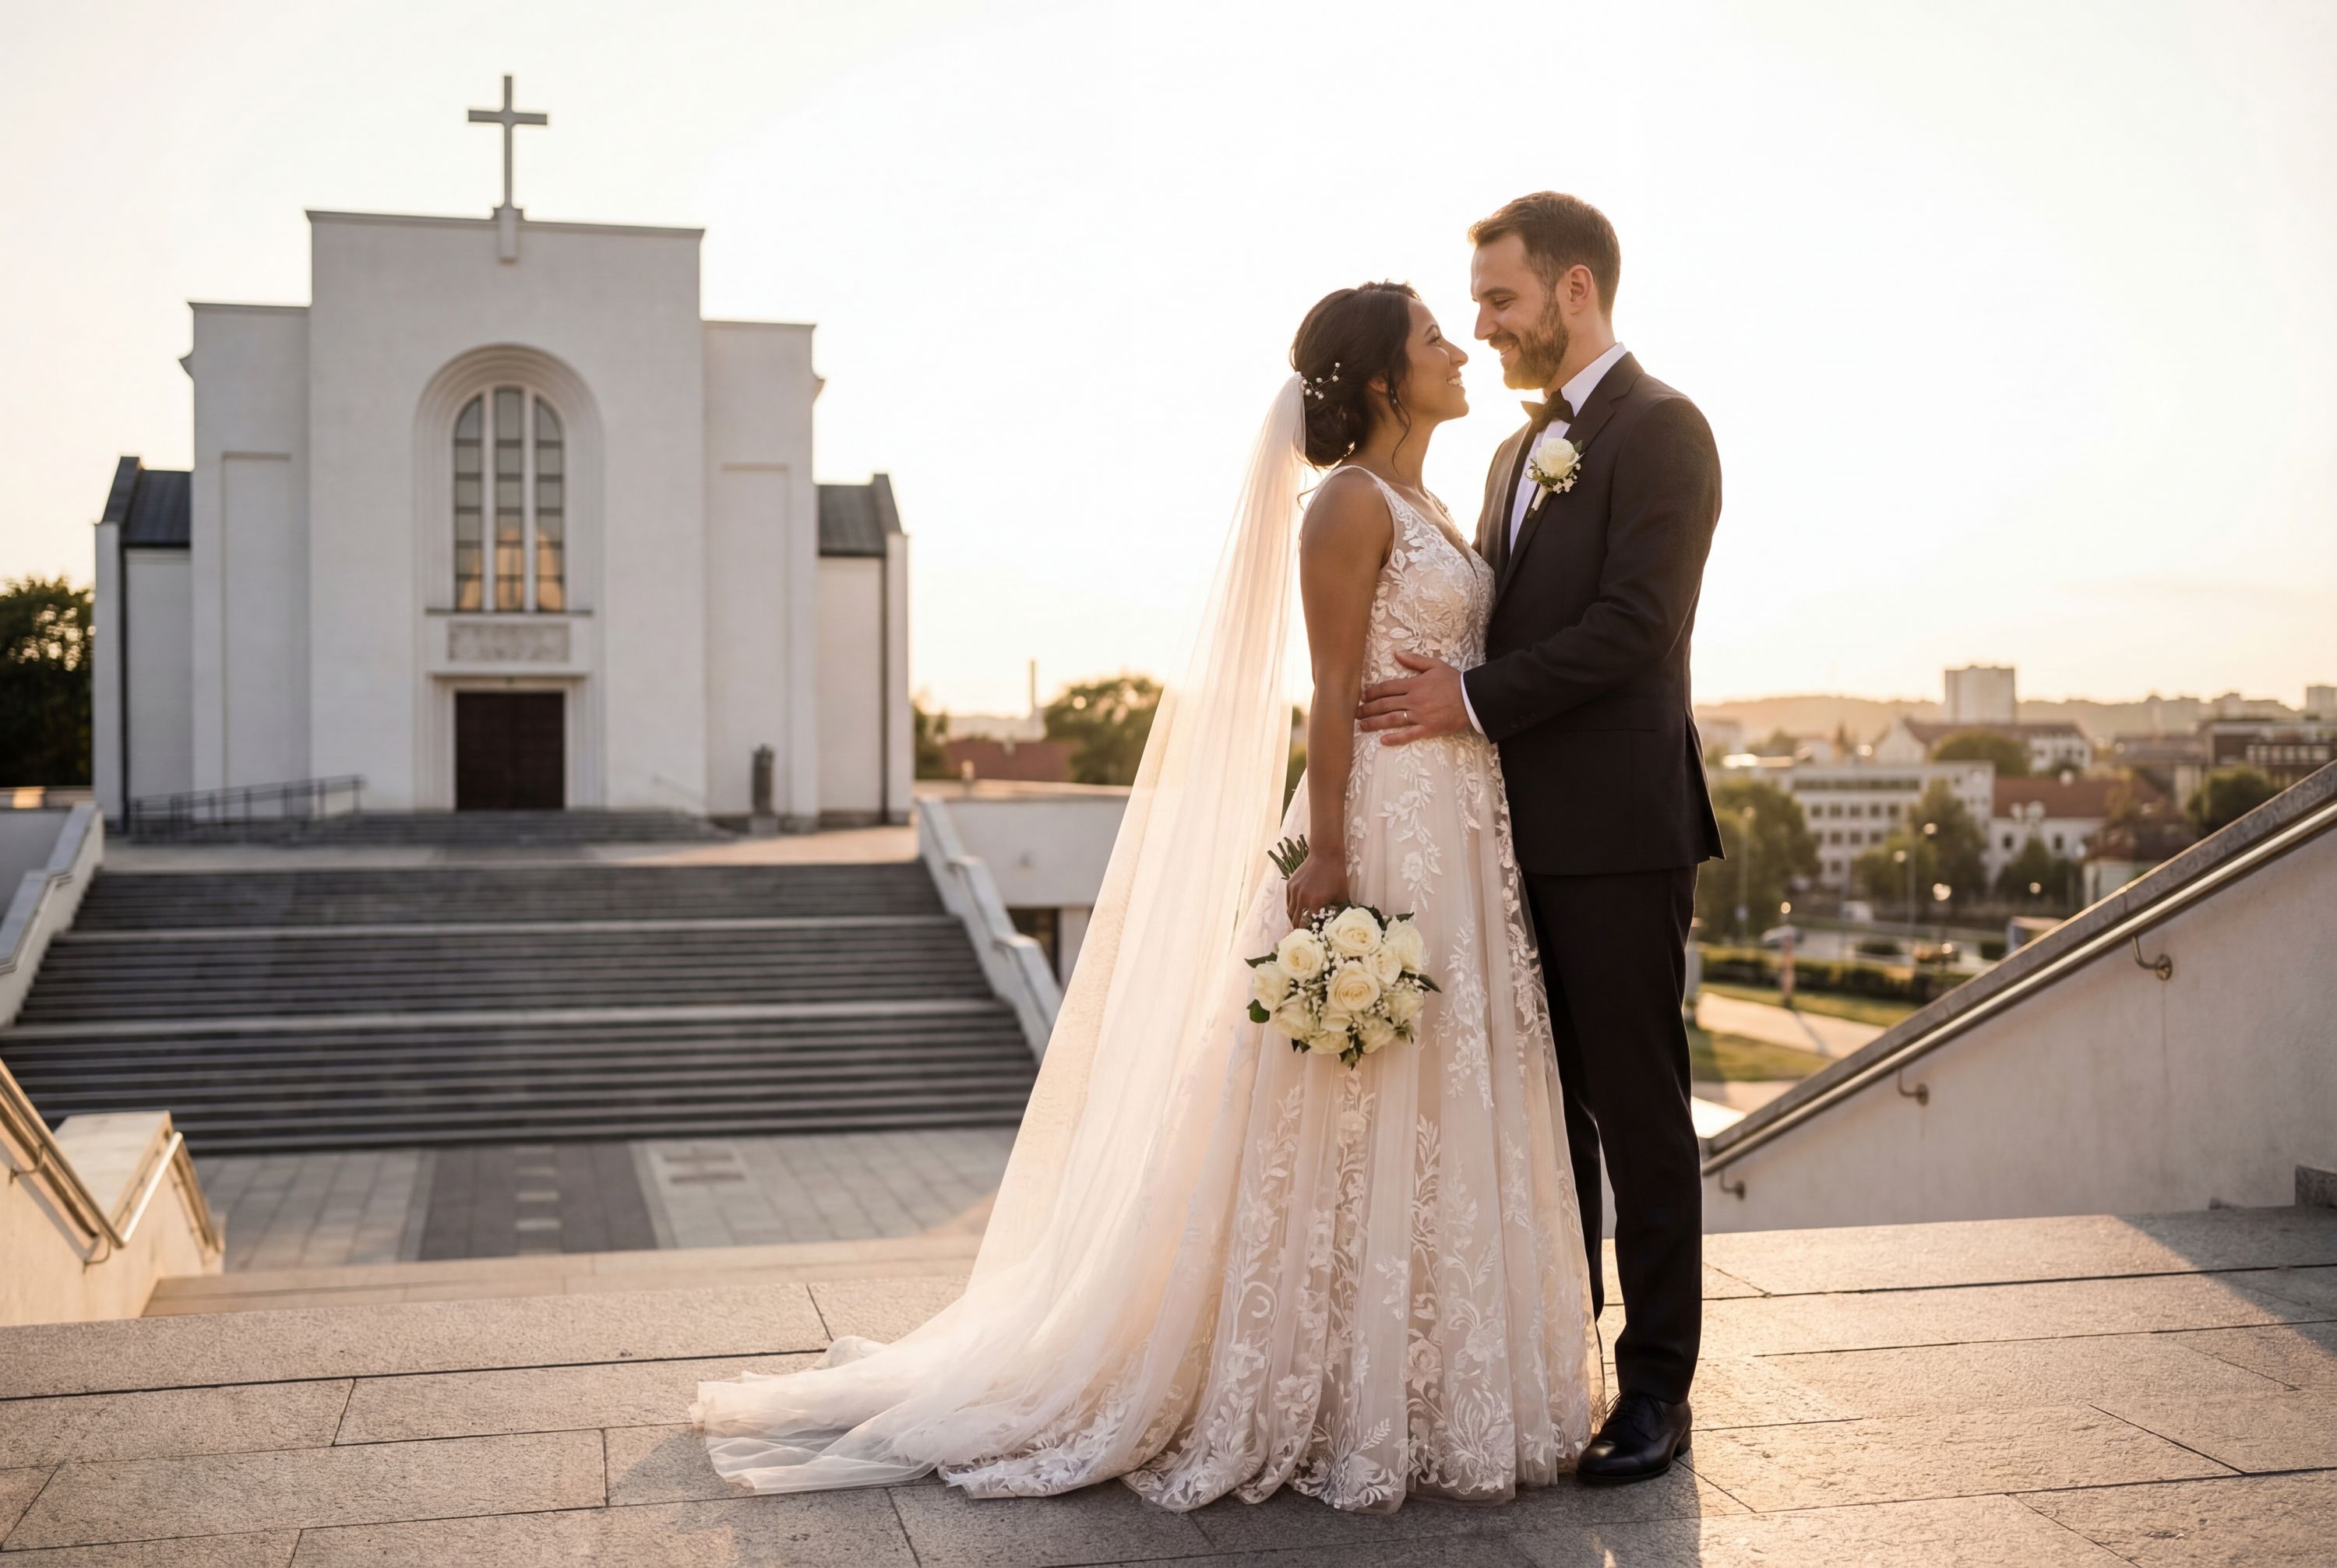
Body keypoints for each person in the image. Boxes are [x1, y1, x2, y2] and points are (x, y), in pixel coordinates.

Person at [689, 279, 1603, 1511]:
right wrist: (1327, 857)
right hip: (1385, 817)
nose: (1459, 350)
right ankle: (1308, 1381)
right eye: (1435, 335)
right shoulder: (1342, 504)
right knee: (1349, 1094)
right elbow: (1329, 691)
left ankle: (1423, 1374)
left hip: (1464, 825)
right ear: (1385, 378)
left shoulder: (1439, 496)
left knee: (1440, 1083)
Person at [1359, 192, 1725, 1482]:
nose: (1483, 326)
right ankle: (1548, 1358)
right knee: (1537, 1115)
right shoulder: (1515, 458)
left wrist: (1462, 699)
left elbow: (1635, 625)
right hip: (1504, 836)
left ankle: (1657, 1393)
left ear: (1574, 291)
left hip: (1620, 831)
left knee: (1637, 1110)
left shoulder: (1666, 429)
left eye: (1500, 301)